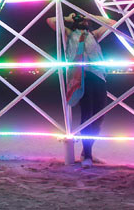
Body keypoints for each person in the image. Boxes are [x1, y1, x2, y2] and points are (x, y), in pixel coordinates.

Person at [46, 11, 108, 167]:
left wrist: (90, 16)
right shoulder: (68, 34)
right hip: (80, 77)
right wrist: (68, 18)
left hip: (98, 75)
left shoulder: (94, 35)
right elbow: (51, 21)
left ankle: (88, 151)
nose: (83, 22)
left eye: (86, 21)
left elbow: (112, 23)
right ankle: (86, 155)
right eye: (81, 20)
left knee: (99, 117)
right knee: (87, 114)